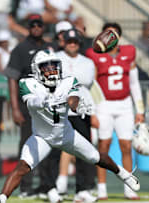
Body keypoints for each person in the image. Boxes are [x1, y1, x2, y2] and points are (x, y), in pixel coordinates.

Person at [0, 50, 140, 203]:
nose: (51, 71)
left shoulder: (68, 81)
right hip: (42, 138)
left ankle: (124, 174)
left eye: (54, 67)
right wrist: (44, 101)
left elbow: (73, 98)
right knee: (22, 167)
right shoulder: (28, 83)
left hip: (66, 134)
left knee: (96, 157)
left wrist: (76, 106)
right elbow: (31, 102)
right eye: (46, 68)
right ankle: (1, 199)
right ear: (36, 70)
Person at [2, 14, 61, 202]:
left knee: (51, 144)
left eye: (39, 24)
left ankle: (47, 185)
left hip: (49, 105)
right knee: (28, 144)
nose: (36, 27)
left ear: (43, 27)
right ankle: (25, 187)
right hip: (27, 105)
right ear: (29, 27)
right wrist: (15, 108)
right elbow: (12, 79)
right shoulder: (20, 49)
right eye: (33, 25)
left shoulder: (48, 48)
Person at [86, 22, 144, 200]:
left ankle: (129, 187)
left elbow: (134, 82)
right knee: (103, 145)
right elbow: (92, 84)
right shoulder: (94, 55)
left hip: (125, 104)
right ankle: (102, 187)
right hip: (104, 104)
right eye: (107, 34)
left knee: (126, 146)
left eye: (114, 34)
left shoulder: (129, 52)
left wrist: (139, 109)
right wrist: (93, 111)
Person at [55, 28, 97, 202]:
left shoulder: (87, 62)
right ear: (64, 42)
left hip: (81, 110)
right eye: (69, 41)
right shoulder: (56, 58)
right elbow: (56, 79)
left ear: (79, 43)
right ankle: (54, 186)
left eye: (75, 42)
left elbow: (86, 81)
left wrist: (94, 112)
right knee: (55, 149)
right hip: (59, 109)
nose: (72, 44)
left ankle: (83, 188)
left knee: (84, 150)